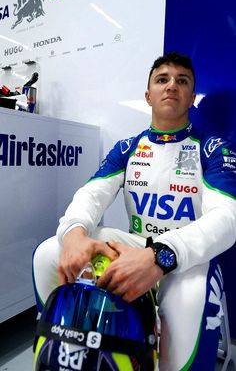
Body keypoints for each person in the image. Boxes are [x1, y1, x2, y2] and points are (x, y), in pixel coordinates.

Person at [33, 52, 236, 370]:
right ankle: (63, 346)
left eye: (182, 81)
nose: (172, 86)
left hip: (185, 260)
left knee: (191, 293)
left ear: (192, 97)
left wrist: (159, 256)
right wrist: (74, 233)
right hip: (134, 247)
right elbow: (91, 194)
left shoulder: (214, 148)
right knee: (49, 252)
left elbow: (228, 219)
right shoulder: (127, 148)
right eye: (162, 79)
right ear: (148, 96)